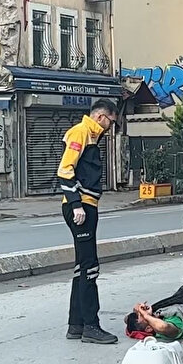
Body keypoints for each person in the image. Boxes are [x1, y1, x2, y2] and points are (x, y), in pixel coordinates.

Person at [57, 98, 119, 344]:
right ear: (101, 117)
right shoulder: (81, 132)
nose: (110, 128)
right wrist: (76, 204)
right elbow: (65, 169)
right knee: (90, 267)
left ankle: (76, 324)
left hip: (86, 205)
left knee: (82, 266)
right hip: (80, 207)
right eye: (111, 123)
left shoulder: (92, 137)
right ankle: (91, 326)